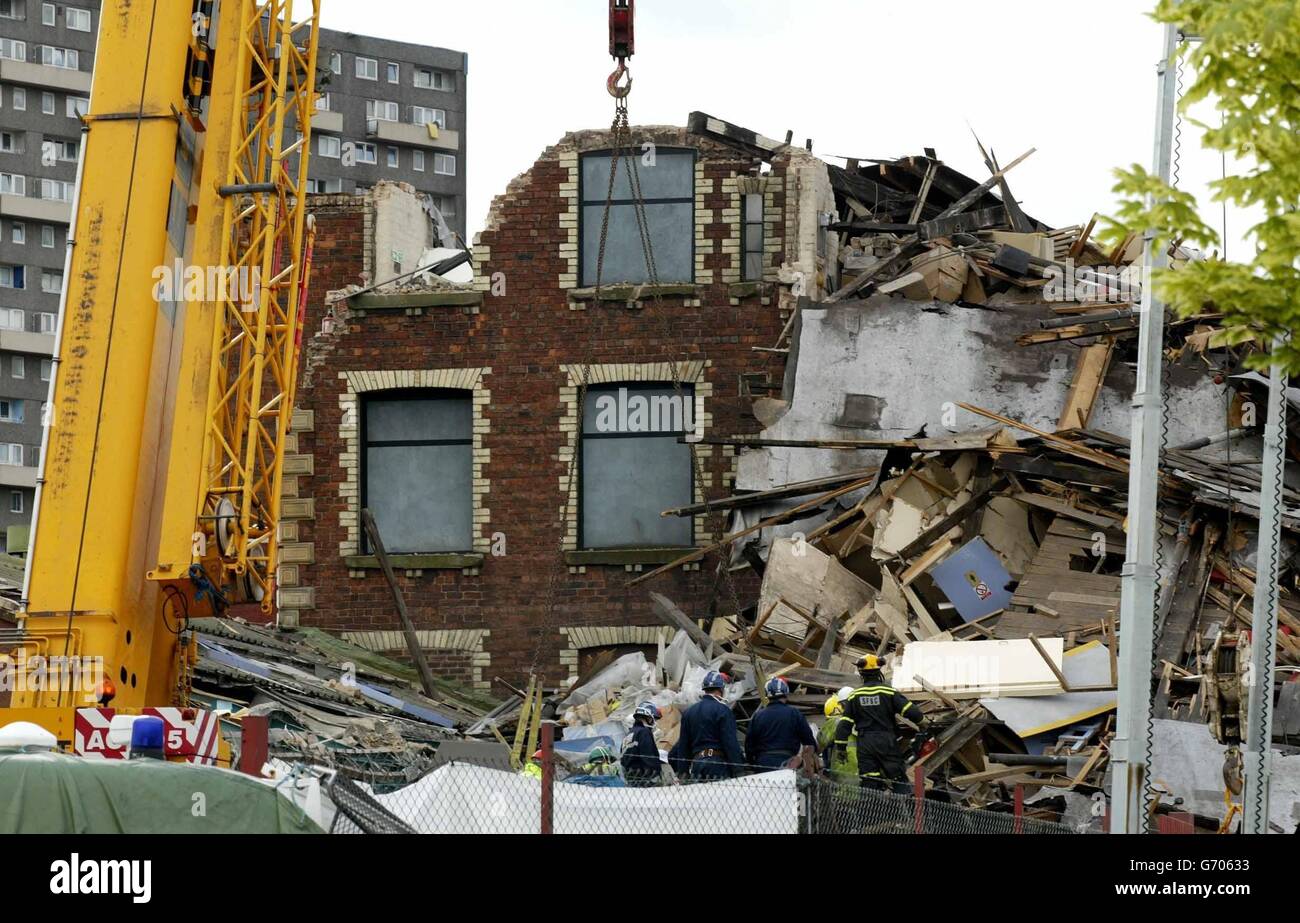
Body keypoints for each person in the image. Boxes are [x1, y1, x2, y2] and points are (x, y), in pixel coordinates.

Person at [833, 654, 926, 792]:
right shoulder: (888, 692)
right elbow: (912, 712)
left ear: (861, 673)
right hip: (886, 741)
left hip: (865, 743)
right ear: (879, 671)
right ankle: (908, 809)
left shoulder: (854, 696)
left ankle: (871, 812)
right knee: (898, 778)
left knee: (869, 782)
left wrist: (841, 748)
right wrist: (922, 724)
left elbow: (844, 725)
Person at [668, 671, 744, 781]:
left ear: (705, 690)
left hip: (697, 764)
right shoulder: (723, 711)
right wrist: (738, 770)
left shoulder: (689, 712)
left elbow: (683, 745)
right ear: (721, 689)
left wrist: (683, 772)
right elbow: (730, 742)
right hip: (717, 764)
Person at [745, 677, 816, 771]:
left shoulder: (758, 716)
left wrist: (753, 763)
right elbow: (809, 741)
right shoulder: (794, 714)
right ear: (785, 693)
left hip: (763, 763)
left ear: (767, 695)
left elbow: (749, 744)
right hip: (788, 763)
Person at [817, 686, 859, 784]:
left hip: (842, 777)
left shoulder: (835, 723)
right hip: (863, 778)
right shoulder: (864, 720)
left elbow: (819, 742)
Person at [622, 702, 663, 785]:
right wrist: (657, 771)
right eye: (653, 719)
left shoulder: (629, 735)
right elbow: (649, 756)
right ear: (648, 717)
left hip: (631, 779)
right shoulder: (644, 732)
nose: (654, 722)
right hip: (646, 779)